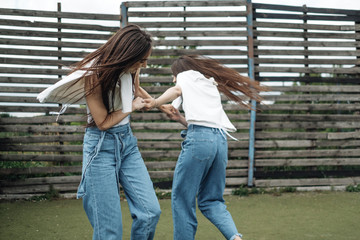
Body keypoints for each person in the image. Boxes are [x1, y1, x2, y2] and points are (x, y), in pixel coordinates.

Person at [37, 24, 163, 240]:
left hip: (127, 145)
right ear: (126, 55)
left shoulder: (132, 68)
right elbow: (103, 122)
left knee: (150, 213)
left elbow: (133, 87)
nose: (143, 65)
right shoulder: (93, 76)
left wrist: (157, 102)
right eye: (141, 61)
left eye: (145, 60)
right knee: (109, 231)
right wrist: (131, 107)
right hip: (100, 148)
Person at [144, 55, 266, 240]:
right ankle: (235, 238)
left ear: (179, 71)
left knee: (182, 200)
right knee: (212, 200)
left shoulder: (185, 76)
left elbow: (176, 90)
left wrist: (155, 102)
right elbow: (206, 123)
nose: (173, 78)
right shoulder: (209, 83)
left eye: (173, 74)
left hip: (200, 142)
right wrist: (181, 119)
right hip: (220, 142)